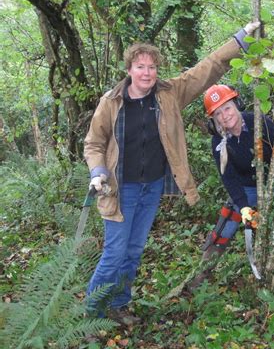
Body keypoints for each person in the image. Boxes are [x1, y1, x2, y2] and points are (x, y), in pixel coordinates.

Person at [83, 22, 261, 320]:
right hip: (118, 188)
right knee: (115, 253)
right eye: (141, 67)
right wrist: (97, 170)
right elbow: (93, 143)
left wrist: (241, 38)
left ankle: (118, 305)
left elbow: (207, 68)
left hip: (151, 187)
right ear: (129, 69)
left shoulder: (169, 94)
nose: (147, 73)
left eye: (152, 67)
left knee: (134, 250)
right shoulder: (111, 102)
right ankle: (92, 313)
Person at [187, 84, 274, 290]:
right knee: (225, 226)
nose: (225, 116)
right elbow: (229, 178)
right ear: (212, 119)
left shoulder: (258, 122)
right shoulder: (218, 141)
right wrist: (242, 206)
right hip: (246, 188)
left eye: (227, 108)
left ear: (237, 105)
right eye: (218, 113)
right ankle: (200, 277)